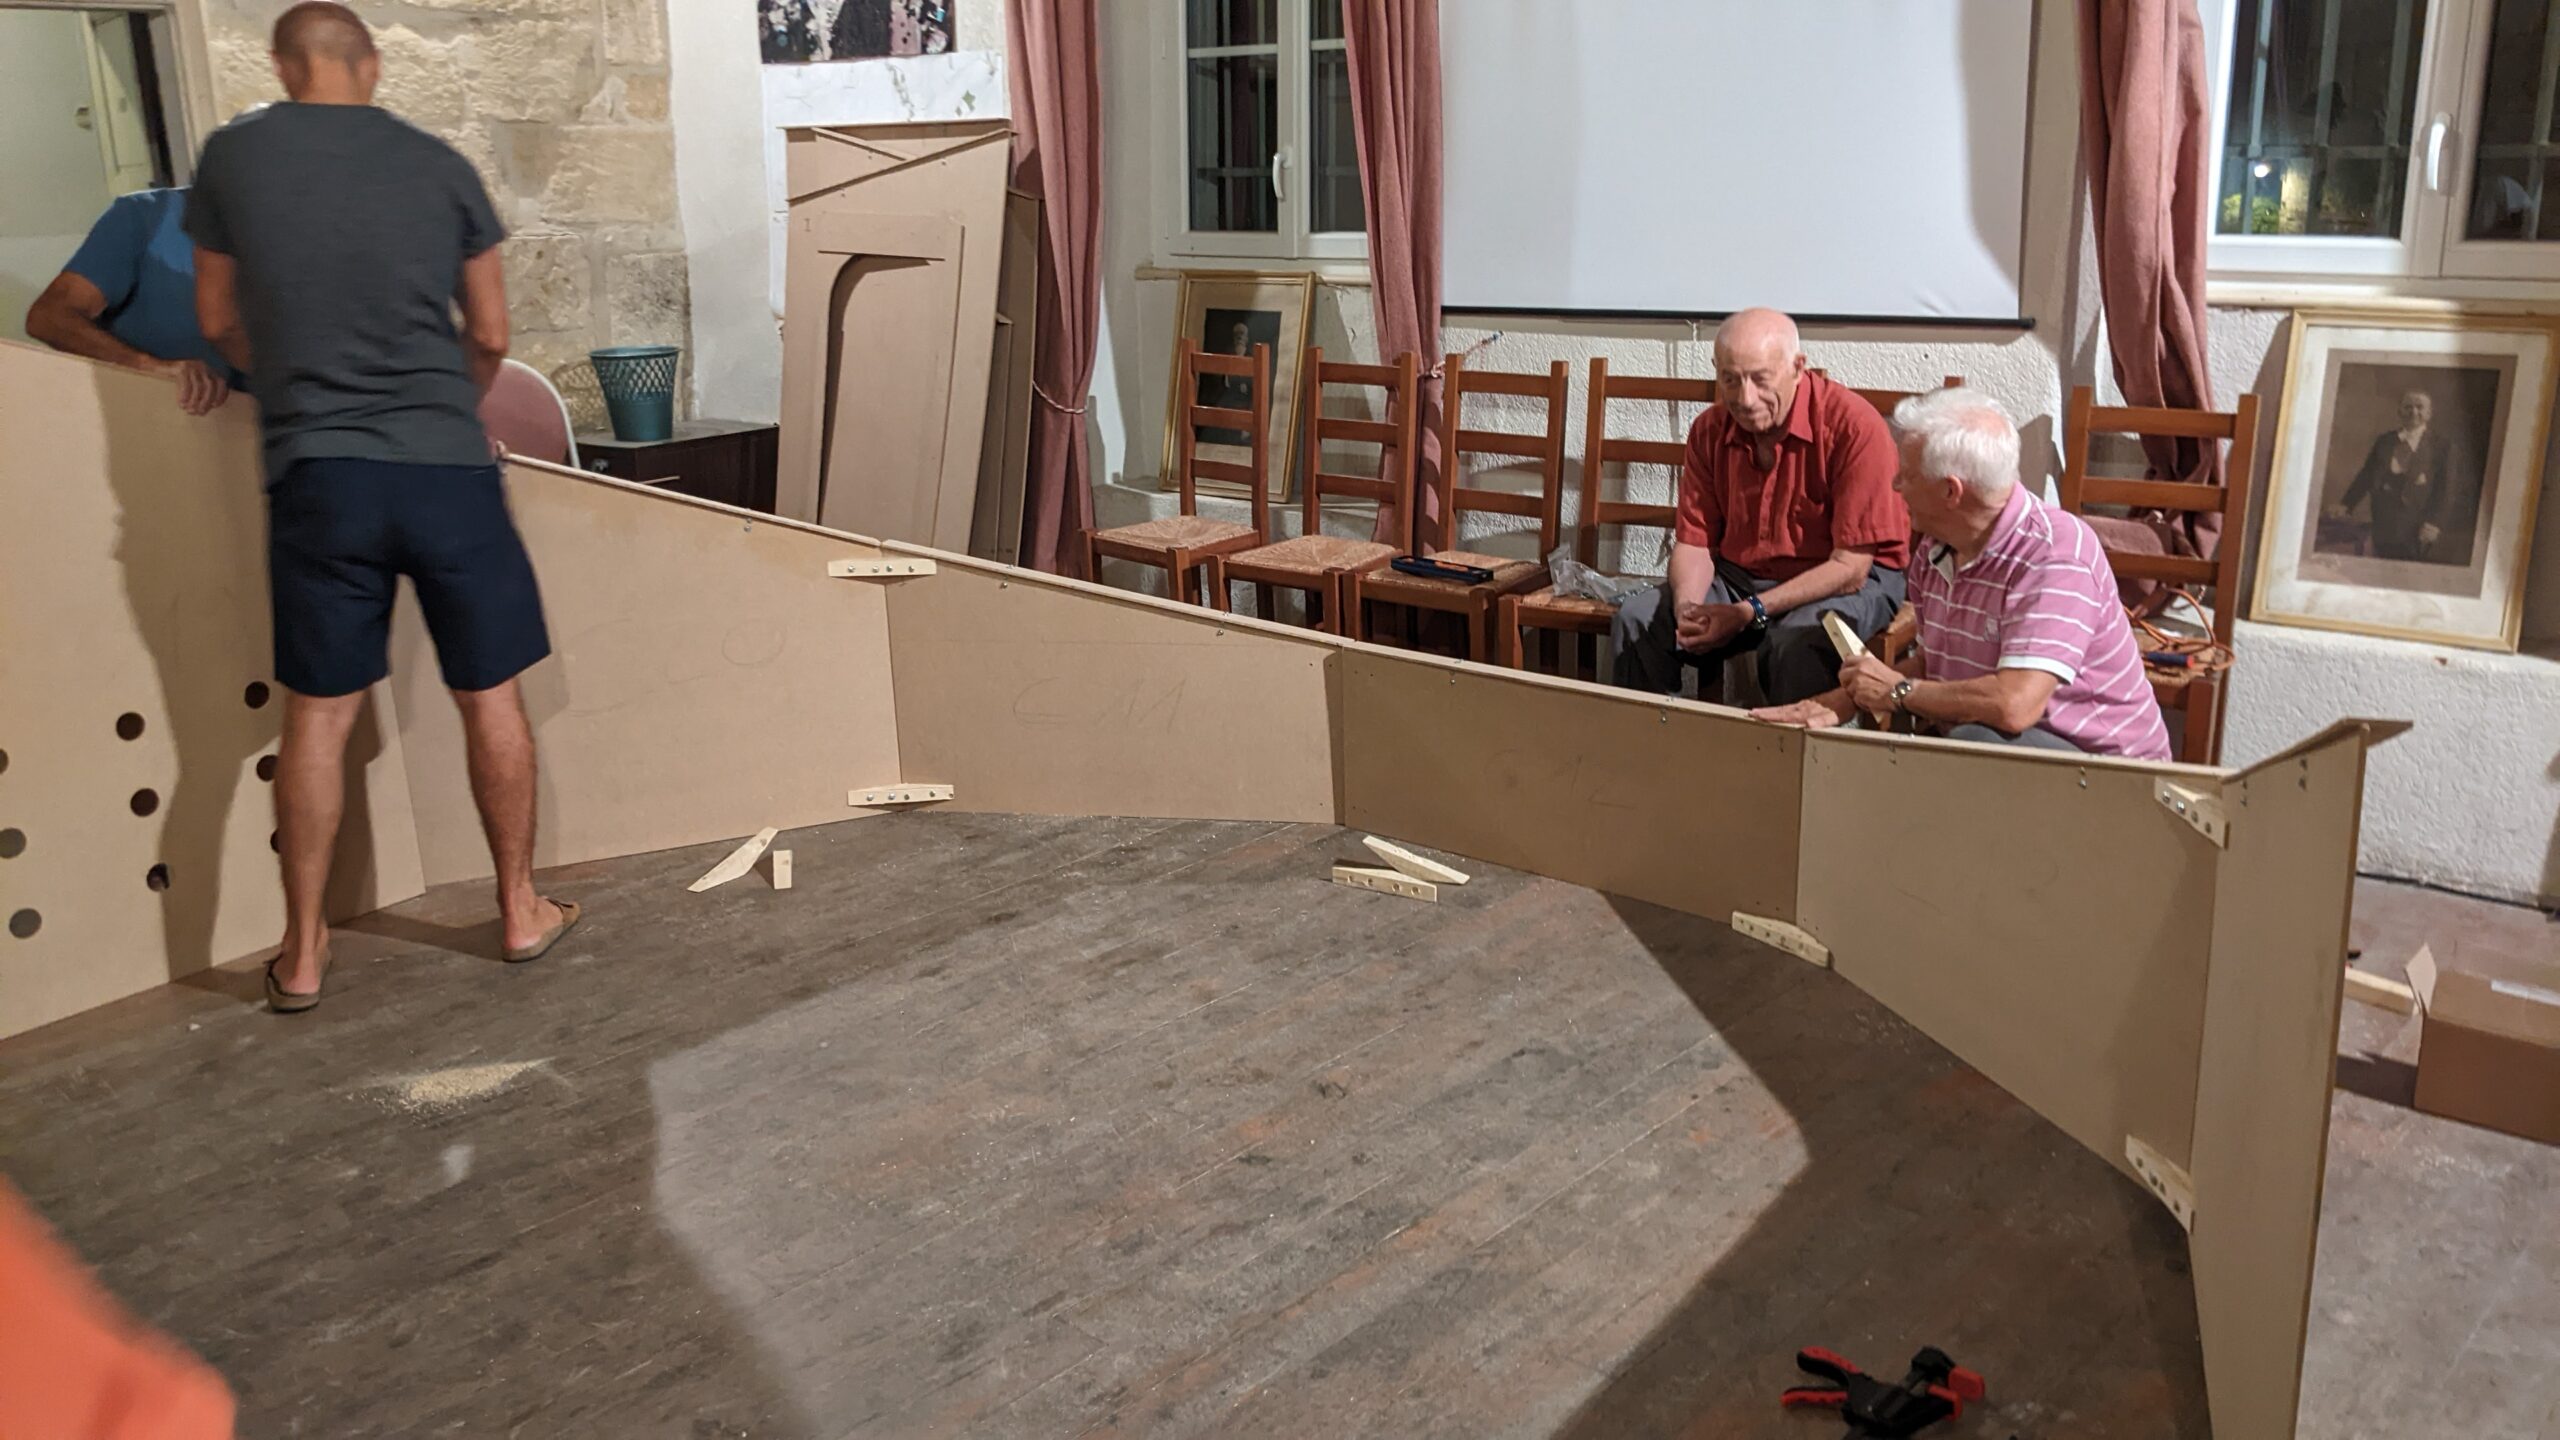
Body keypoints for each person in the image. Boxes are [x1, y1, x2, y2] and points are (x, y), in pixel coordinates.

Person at [185, 1, 578, 1012]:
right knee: (490, 694)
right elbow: (491, 335)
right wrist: (441, 400)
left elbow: (218, 320)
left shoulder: (232, 160)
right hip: (446, 469)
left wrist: (296, 384)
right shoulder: (439, 165)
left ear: (284, 66)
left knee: (318, 718)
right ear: (370, 65)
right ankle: (520, 910)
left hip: (318, 472)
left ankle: (302, 954)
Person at [1752, 388, 2172, 760]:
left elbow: (2014, 705)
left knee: (1971, 741)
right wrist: (1843, 700)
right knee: (1945, 749)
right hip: (2016, 753)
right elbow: (1937, 666)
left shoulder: (2055, 554)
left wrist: (1898, 691)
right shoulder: (1936, 551)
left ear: (1950, 491)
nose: (1895, 485)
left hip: (2111, 775)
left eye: (1907, 474)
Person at [1610, 308, 1910, 705]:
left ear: (1798, 367)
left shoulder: (1853, 427)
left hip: (1846, 579)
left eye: (1760, 379)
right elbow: (1695, 543)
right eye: (1730, 380)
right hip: (1743, 575)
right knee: (1637, 621)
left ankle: (1784, 746)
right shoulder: (1709, 430)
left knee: (1795, 646)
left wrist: (1748, 612)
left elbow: (1850, 569)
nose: (1745, 399)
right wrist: (1688, 610)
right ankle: (1647, 743)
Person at [23, 188, 242, 416]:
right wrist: (145, 365)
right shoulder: (147, 215)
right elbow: (48, 317)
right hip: (141, 419)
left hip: (243, 426)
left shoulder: (266, 241)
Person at [2331, 389, 2463, 562]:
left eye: (2420, 407)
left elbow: (2446, 490)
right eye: (2408, 407)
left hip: (2419, 530)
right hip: (2383, 525)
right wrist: (2346, 504)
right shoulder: (2384, 441)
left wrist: (2435, 523)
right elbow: (2366, 476)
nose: (2413, 412)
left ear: (2429, 413)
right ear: (2399, 411)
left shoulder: (2443, 447)